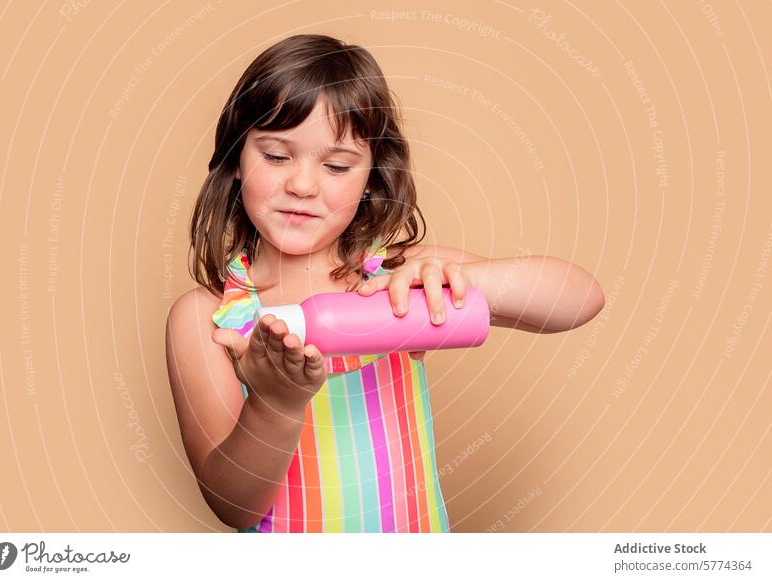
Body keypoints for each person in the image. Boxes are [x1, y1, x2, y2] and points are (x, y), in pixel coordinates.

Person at [165, 34, 605, 533]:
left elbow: (580, 298)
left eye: (335, 165)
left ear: (371, 175)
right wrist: (274, 403)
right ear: (235, 160)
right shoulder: (208, 319)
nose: (303, 185)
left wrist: (459, 279)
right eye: (276, 156)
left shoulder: (397, 279)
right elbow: (232, 504)